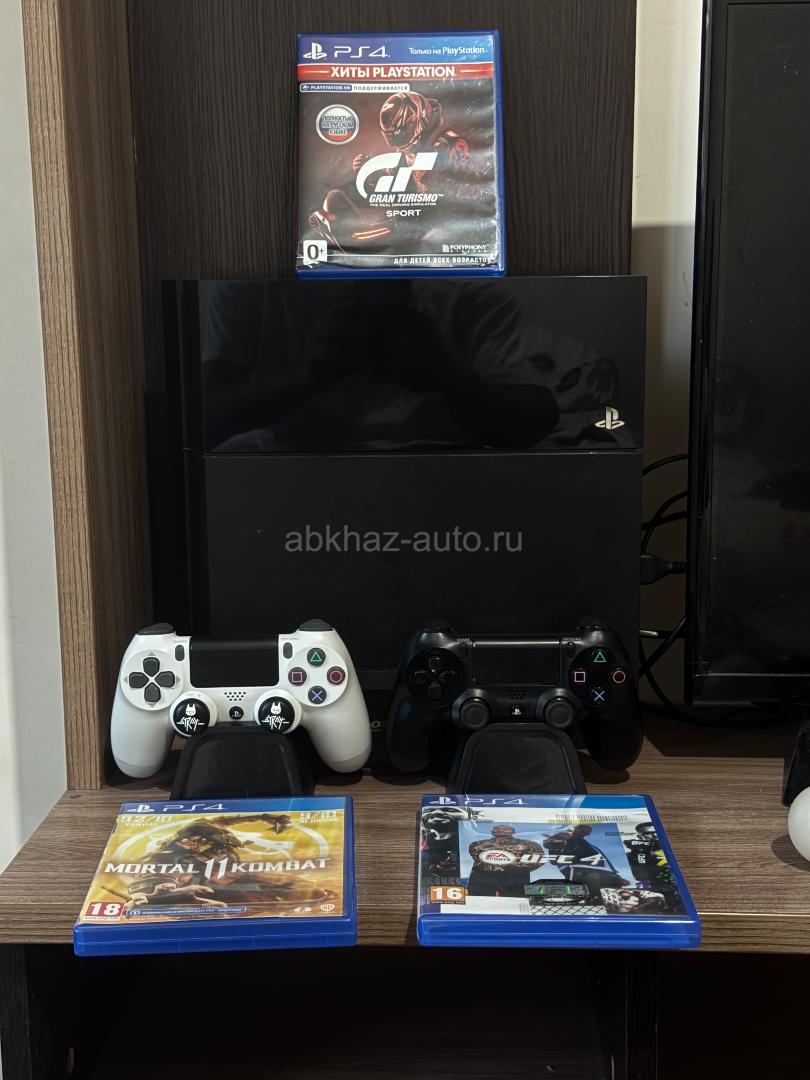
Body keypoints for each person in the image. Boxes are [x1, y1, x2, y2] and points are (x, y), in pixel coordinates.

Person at [466, 825, 544, 898]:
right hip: (483, 877)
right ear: (492, 831)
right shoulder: (478, 844)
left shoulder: (529, 844)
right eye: (497, 828)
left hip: (515, 877)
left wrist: (520, 869)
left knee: (515, 902)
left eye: (505, 828)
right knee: (478, 901)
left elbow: (538, 858)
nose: (500, 830)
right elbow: (476, 856)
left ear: (513, 831)